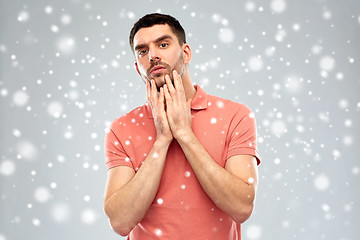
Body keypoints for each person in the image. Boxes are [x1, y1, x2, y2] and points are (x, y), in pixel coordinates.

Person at [103, 13, 261, 240]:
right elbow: (120, 221)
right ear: (138, 67)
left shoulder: (235, 115)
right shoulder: (122, 129)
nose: (153, 55)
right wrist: (162, 140)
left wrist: (185, 134)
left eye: (163, 44)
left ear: (185, 53)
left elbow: (241, 207)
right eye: (143, 51)